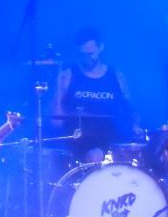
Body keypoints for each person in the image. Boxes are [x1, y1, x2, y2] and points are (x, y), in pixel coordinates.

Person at [53, 26, 142, 163]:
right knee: (93, 156)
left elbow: (130, 107)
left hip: (109, 140)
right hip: (79, 141)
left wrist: (136, 126)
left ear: (101, 48)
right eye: (83, 55)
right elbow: (56, 118)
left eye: (91, 53)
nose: (87, 58)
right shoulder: (69, 75)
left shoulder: (115, 76)